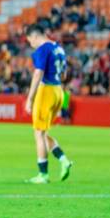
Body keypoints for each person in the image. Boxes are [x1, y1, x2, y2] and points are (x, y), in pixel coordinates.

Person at [24, 24, 73, 184]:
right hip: (59, 90)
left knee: (38, 133)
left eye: (30, 40)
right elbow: (65, 74)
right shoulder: (58, 48)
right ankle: (63, 159)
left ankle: (43, 175)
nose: (30, 43)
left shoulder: (42, 49)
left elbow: (38, 73)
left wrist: (30, 98)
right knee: (43, 133)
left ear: (35, 36)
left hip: (46, 91)